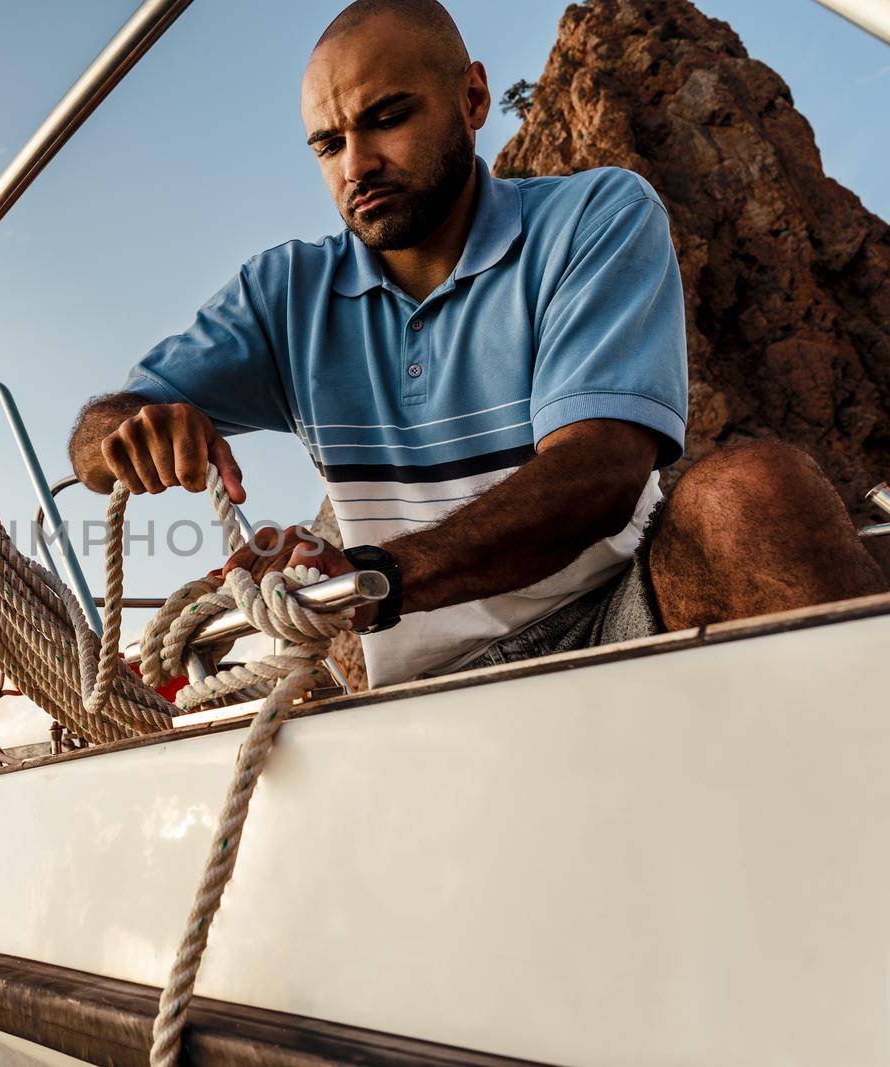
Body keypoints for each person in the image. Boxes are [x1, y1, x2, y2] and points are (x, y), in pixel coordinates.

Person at [68, 0, 885, 688]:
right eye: (328, 143)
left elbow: (601, 468)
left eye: (387, 118)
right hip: (431, 687)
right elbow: (91, 443)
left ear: (472, 98)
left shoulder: (593, 217)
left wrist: (372, 578)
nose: (357, 164)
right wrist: (135, 432)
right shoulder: (284, 294)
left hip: (622, 613)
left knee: (755, 488)